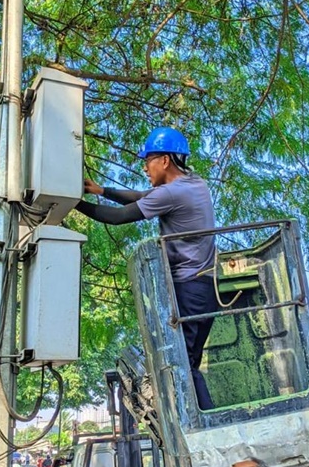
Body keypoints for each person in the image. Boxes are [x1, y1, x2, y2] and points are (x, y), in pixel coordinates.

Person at [74, 126, 218, 410]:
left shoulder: (172, 194)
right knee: (190, 364)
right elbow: (143, 197)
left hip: (189, 288)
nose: (145, 167)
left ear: (165, 160)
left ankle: (204, 426)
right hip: (205, 288)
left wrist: (72, 203)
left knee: (183, 366)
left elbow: (117, 218)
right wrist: (102, 190)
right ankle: (203, 421)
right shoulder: (193, 183)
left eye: (148, 160)